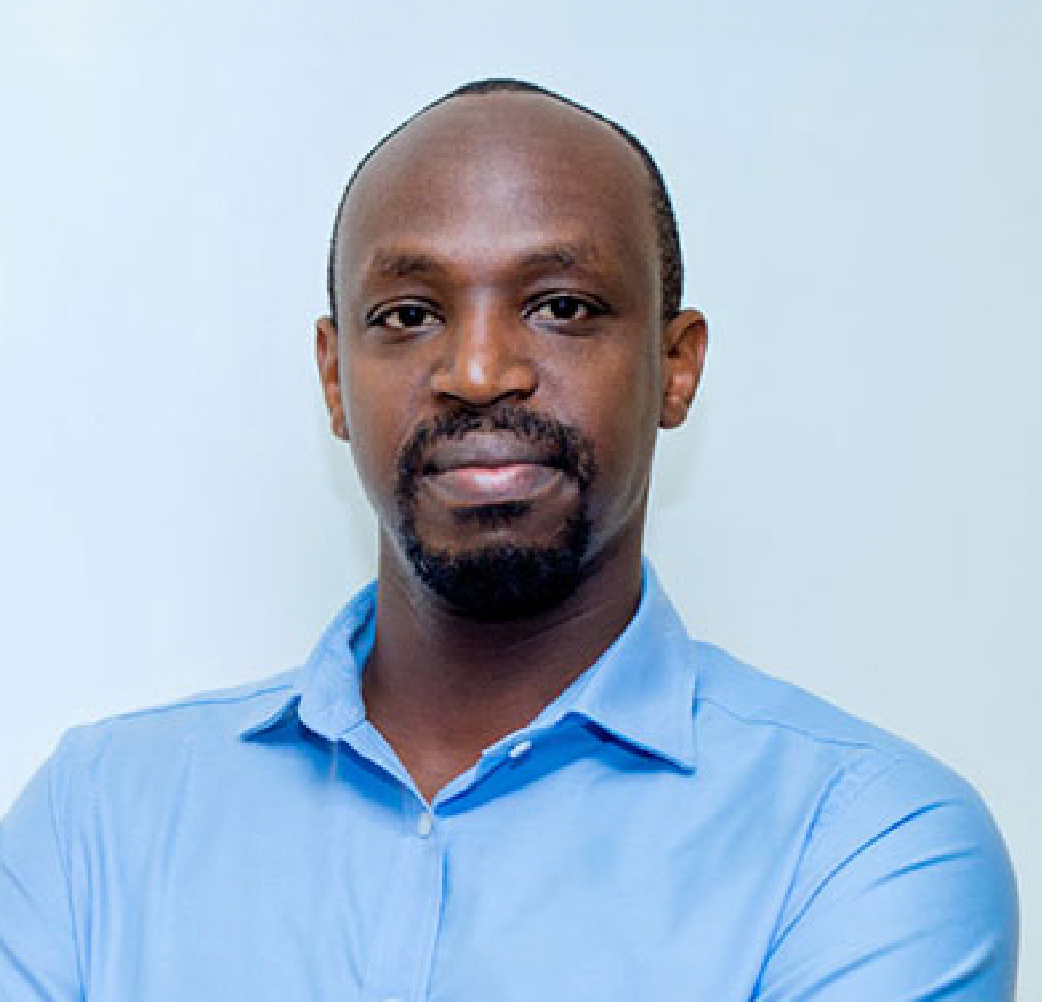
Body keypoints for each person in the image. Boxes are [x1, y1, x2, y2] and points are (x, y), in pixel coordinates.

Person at [0, 79, 1018, 1000]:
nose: (479, 371)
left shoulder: (864, 843)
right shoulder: (95, 823)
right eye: (407, 314)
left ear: (675, 365)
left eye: (562, 307)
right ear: (333, 377)